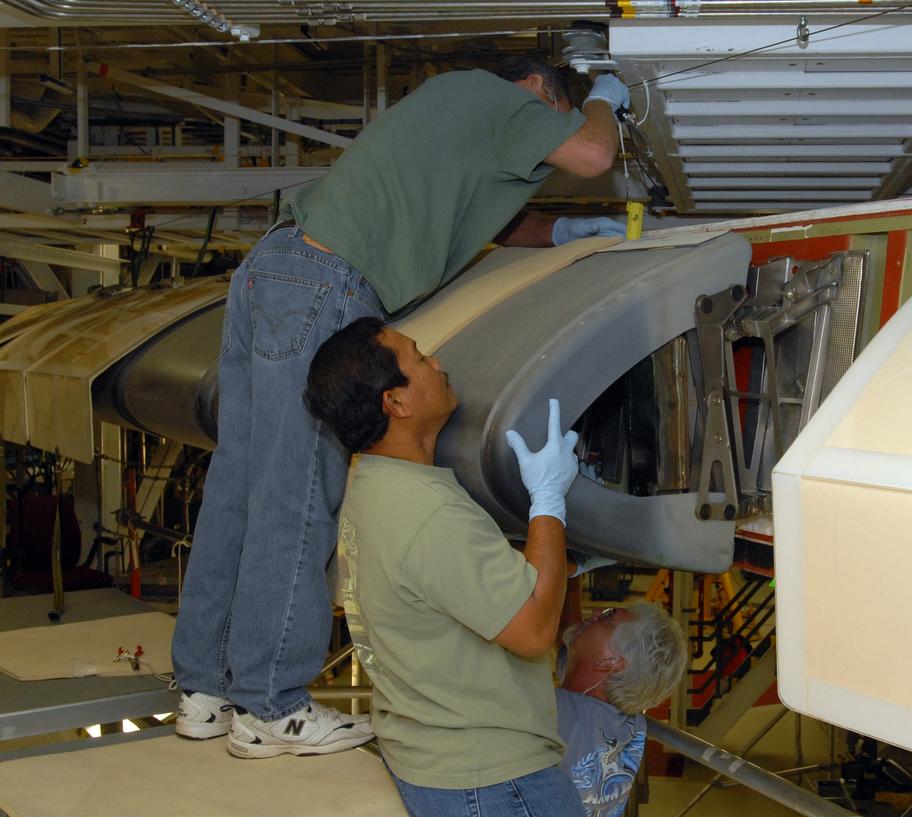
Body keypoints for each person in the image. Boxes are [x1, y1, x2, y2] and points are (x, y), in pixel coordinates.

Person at [171, 55, 630, 756]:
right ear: (540, 91)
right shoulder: (499, 98)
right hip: (329, 286)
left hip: (275, 271)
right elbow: (594, 152)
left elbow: (492, 222)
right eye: (554, 119)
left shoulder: (453, 111)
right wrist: (604, 100)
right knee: (298, 499)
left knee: (240, 487)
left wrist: (561, 234)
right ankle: (271, 705)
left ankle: (203, 689)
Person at [303, 316, 591, 817]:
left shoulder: (371, 482)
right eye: (420, 359)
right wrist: (548, 502)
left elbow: (448, 582)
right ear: (397, 403)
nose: (438, 364)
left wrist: (553, 561)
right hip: (495, 783)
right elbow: (532, 632)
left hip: (434, 759)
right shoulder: (430, 514)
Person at [555, 579, 689, 817]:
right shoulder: (631, 725)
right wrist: (570, 576)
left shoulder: (559, 715)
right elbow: (571, 644)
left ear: (612, 662)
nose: (595, 614)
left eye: (607, 618)